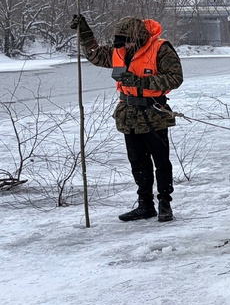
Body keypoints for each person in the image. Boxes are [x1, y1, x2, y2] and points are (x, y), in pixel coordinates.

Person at [70, 13, 184, 222]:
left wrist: (140, 81)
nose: (127, 46)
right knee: (138, 162)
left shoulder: (161, 48)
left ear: (139, 37)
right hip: (129, 115)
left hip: (154, 113)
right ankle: (145, 205)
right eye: (124, 42)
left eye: (130, 41)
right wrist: (84, 32)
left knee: (161, 161)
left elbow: (175, 78)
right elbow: (95, 55)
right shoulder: (120, 50)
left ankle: (164, 203)